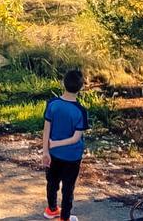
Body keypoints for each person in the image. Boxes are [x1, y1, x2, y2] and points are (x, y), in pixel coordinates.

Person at [42, 69, 89, 221]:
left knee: (52, 183)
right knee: (68, 188)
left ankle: (51, 209)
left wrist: (46, 150)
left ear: (63, 83)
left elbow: (46, 129)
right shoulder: (80, 111)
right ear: (81, 87)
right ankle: (65, 218)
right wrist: (56, 143)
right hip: (72, 157)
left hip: (53, 155)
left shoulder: (52, 104)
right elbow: (76, 138)